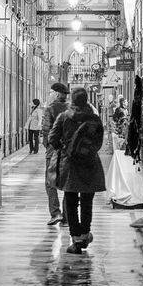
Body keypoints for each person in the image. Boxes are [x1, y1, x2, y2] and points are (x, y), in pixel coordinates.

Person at [48, 86, 105, 254]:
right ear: (86, 99)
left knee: (71, 201)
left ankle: (76, 238)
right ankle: (85, 233)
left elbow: (52, 138)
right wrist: (88, 151)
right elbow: (99, 141)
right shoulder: (94, 118)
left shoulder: (64, 117)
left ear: (72, 99)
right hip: (90, 164)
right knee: (87, 202)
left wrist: (65, 149)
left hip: (70, 164)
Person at [42, 82, 69, 225]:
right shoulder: (72, 109)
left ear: (57, 94)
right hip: (68, 150)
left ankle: (55, 213)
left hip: (53, 150)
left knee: (50, 182)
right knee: (67, 184)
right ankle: (66, 217)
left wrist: (47, 145)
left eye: (51, 92)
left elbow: (46, 130)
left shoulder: (50, 109)